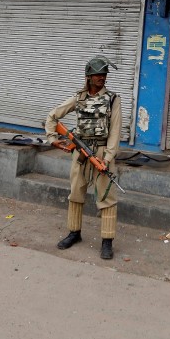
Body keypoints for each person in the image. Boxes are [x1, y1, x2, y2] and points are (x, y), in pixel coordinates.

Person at [45, 56, 122, 260]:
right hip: (80, 153)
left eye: (104, 74)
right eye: (98, 74)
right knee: (76, 193)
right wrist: (53, 138)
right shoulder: (78, 98)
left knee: (107, 197)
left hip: (102, 153)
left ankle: (107, 241)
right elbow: (53, 116)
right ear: (88, 76)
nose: (102, 78)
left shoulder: (113, 99)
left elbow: (115, 131)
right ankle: (74, 233)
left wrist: (107, 157)